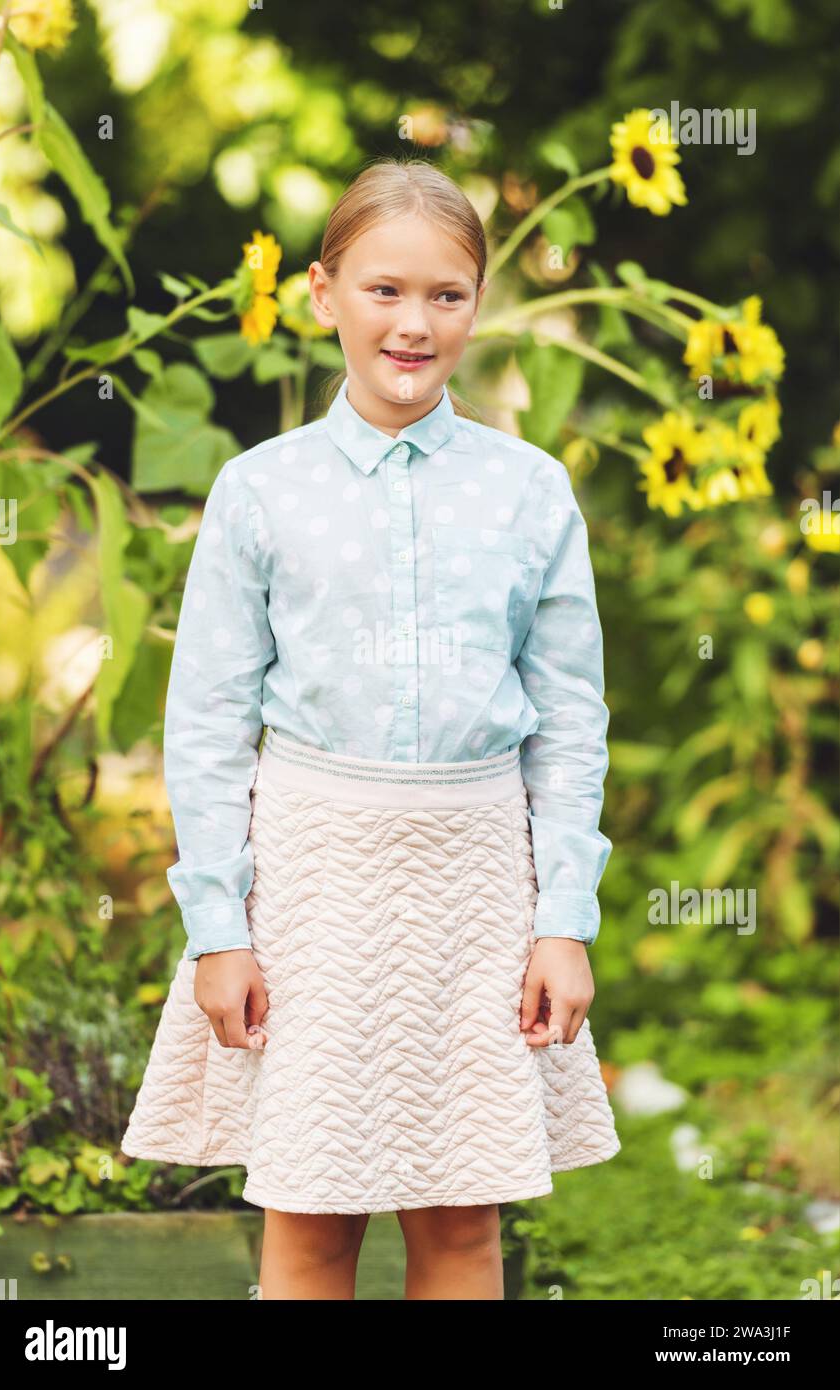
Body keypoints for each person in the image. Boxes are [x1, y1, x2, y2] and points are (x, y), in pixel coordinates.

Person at [120, 155, 620, 1301]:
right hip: (310, 887)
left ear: (476, 307)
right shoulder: (259, 492)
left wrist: (563, 921)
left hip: (478, 887)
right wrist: (216, 927)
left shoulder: (529, 490)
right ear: (322, 294)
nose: (413, 322)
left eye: (445, 295)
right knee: (311, 1225)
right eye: (384, 290)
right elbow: (203, 718)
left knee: (459, 1227)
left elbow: (570, 721)